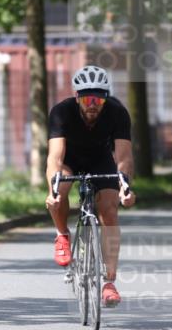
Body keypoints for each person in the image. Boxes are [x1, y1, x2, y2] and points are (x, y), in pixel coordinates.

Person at [45, 65, 136, 308]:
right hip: (69, 160)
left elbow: (124, 158)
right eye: (87, 99)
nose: (93, 104)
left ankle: (109, 282)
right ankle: (62, 235)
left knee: (109, 210)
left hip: (100, 160)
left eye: (98, 99)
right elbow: (55, 157)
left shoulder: (117, 112)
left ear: (106, 98)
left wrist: (125, 187)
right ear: (77, 97)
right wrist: (53, 191)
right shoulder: (61, 112)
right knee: (60, 190)